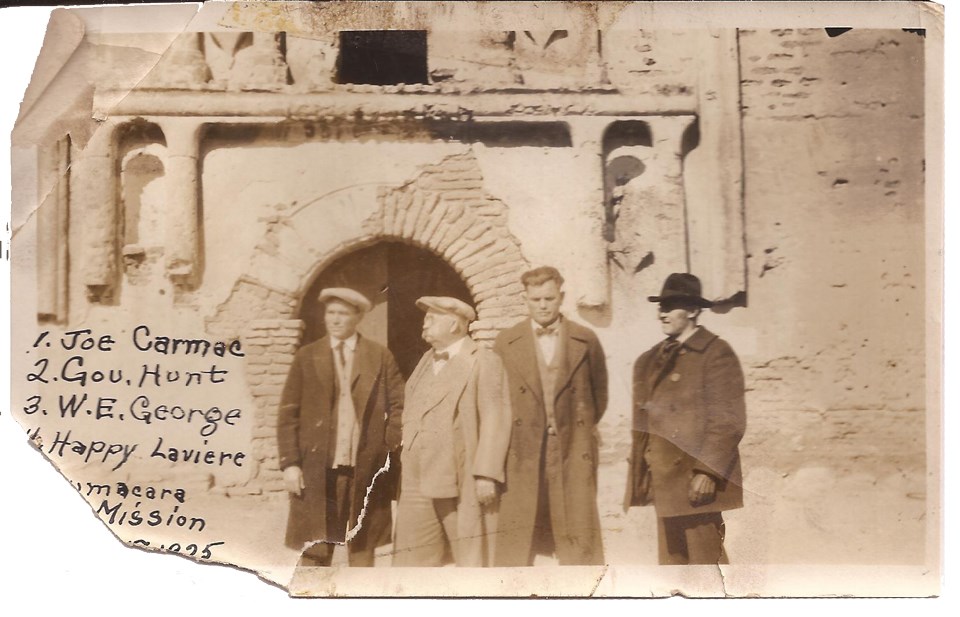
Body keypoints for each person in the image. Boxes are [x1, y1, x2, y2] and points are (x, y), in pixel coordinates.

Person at [624, 273, 747, 565]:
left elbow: (728, 420)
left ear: (693, 310)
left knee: (706, 567)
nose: (662, 313)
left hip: (695, 481)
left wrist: (707, 471)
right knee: (673, 570)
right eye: (660, 306)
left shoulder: (716, 354)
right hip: (664, 479)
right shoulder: (650, 359)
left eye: (671, 306)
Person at [276, 287, 404, 567]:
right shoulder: (307, 356)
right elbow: (288, 413)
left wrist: (385, 448)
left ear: (357, 317)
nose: (334, 319)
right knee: (315, 547)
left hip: (365, 469)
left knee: (363, 547)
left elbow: (399, 406)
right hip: (318, 468)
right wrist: (290, 464)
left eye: (343, 313)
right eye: (330, 312)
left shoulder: (378, 356)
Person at [492, 266, 608, 566]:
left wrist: (576, 429)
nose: (542, 305)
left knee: (577, 535)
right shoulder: (506, 342)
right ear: (525, 299)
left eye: (549, 298)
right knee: (519, 538)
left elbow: (599, 397)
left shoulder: (586, 340)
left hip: (570, 449)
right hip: (523, 451)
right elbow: (496, 401)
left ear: (562, 298)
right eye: (535, 299)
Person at [392, 296, 511, 567]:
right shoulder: (424, 360)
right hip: (415, 475)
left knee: (469, 559)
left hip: (459, 475)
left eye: (432, 319)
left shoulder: (483, 360)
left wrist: (486, 473)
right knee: (411, 561)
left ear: (455, 324)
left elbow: (495, 417)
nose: (424, 324)